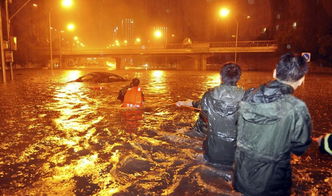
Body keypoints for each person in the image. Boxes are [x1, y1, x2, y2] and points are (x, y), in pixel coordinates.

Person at [234, 53, 312, 196]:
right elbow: (300, 147)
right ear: (301, 79)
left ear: (275, 72)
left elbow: (238, 123)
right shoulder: (297, 108)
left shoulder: (249, 95)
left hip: (242, 175)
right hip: (272, 183)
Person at [177, 63, 244, 166]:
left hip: (213, 153)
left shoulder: (209, 96)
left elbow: (201, 120)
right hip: (237, 155)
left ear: (221, 76)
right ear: (238, 77)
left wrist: (182, 103)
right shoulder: (247, 97)